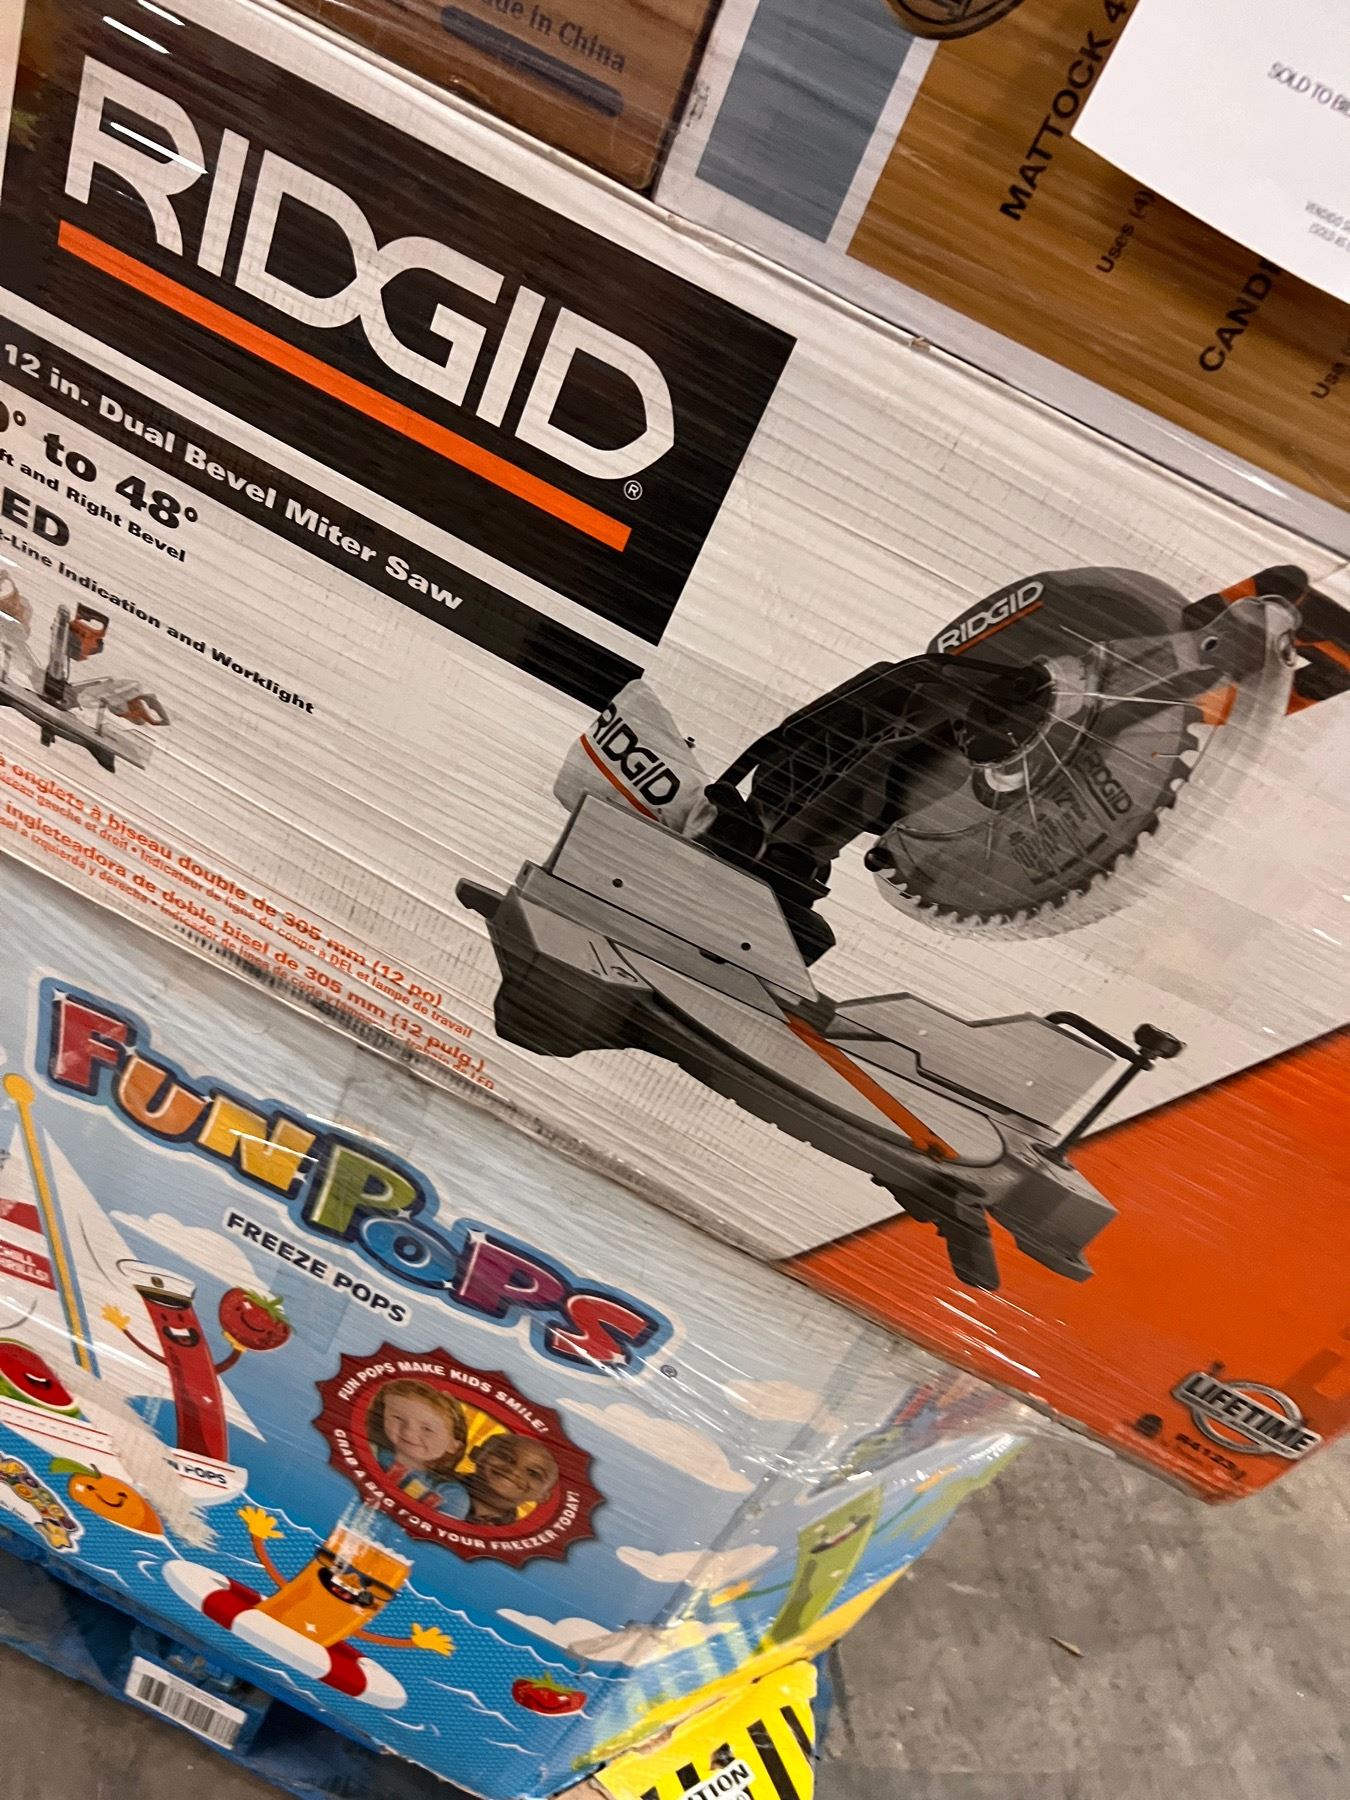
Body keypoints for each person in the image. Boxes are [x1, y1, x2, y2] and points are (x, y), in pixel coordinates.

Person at [365, 1380, 470, 1517]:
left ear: (453, 1446)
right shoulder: (371, 1451)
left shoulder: (450, 1493)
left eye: (427, 1429)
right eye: (398, 1418)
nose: (408, 1432)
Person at [464, 1432, 558, 1525]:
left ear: (543, 1496)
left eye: (533, 1473)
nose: (514, 1471)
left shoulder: (520, 1532)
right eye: (506, 1457)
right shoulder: (452, 1487)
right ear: (477, 1454)